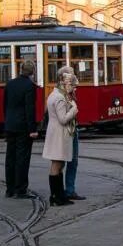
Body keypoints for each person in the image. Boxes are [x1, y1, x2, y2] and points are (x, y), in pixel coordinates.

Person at [42, 71, 78, 206]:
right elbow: (63, 119)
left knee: (59, 164)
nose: (72, 86)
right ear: (62, 82)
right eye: (70, 83)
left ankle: (59, 195)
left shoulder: (55, 94)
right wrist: (73, 110)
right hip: (59, 134)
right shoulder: (59, 98)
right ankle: (56, 197)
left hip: (56, 133)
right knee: (57, 164)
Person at [3, 59, 38, 199]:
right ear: (33, 72)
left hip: (10, 125)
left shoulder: (10, 84)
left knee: (10, 157)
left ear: (20, 69)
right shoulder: (30, 86)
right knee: (22, 158)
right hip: (23, 127)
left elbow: (4, 105)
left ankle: (9, 189)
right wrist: (32, 129)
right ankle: (21, 189)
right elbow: (29, 108)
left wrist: (7, 122)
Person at [57, 66, 86, 201]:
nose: (74, 80)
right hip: (66, 131)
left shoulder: (70, 92)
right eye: (71, 77)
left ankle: (69, 189)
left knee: (73, 160)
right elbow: (63, 117)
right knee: (63, 161)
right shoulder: (60, 95)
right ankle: (63, 191)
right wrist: (74, 110)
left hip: (73, 129)